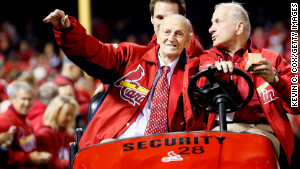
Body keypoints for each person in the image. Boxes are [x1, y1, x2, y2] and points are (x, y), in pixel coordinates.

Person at [44, 9, 206, 148]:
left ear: (187, 41)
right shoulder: (130, 55)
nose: (171, 39)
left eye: (179, 34)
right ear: (157, 35)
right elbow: (95, 52)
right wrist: (69, 31)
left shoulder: (193, 74)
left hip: (162, 152)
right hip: (114, 144)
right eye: (167, 32)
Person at [198, 2, 300, 167]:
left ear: (239, 28)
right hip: (217, 132)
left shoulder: (272, 59)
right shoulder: (206, 59)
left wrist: (276, 81)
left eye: (217, 22)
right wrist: (211, 77)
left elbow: (297, 104)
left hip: (261, 134)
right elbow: (191, 95)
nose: (210, 29)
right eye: (211, 23)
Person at [0, 81, 52, 169]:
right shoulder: (4, 121)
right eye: (23, 99)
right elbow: (3, 156)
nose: (27, 103)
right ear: (12, 99)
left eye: (29, 99)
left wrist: (38, 155)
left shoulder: (26, 121)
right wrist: (28, 158)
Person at [35, 95, 79, 169]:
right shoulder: (45, 134)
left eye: (72, 114)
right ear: (55, 113)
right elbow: (51, 165)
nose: (70, 118)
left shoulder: (68, 133)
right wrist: (74, 161)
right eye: (67, 114)